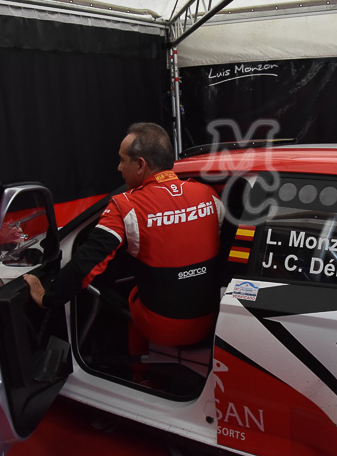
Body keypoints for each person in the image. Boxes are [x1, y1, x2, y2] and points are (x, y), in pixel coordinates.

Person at [24, 122, 223, 351]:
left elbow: (85, 264)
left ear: (140, 164)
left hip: (162, 328)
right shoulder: (207, 194)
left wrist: (47, 298)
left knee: (117, 294)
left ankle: (137, 368)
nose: (119, 168)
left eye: (122, 160)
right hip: (212, 322)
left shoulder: (126, 206)